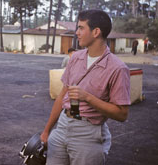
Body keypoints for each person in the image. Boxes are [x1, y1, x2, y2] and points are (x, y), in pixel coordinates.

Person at [40, 9, 131, 165]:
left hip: (88, 133)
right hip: (62, 127)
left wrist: (88, 98)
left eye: (81, 28)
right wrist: (47, 130)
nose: (77, 32)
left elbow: (122, 114)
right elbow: (63, 96)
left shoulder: (118, 68)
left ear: (96, 32)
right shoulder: (75, 58)